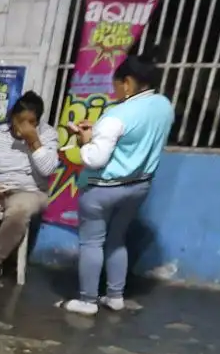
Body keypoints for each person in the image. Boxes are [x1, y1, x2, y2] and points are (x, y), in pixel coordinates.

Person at [67, 55, 174, 315]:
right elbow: (135, 133)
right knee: (117, 240)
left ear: (127, 82)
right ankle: (115, 296)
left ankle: (87, 301)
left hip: (102, 190)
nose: (114, 91)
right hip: (138, 187)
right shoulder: (163, 105)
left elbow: (95, 158)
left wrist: (84, 140)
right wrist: (99, 129)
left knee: (91, 243)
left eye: (115, 85)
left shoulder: (116, 115)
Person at [0, 91, 59, 285]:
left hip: (30, 191)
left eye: (29, 122)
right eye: (18, 120)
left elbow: (47, 169)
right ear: (12, 117)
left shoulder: (48, 135)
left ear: (37, 123)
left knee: (19, 211)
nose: (21, 126)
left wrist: (34, 142)